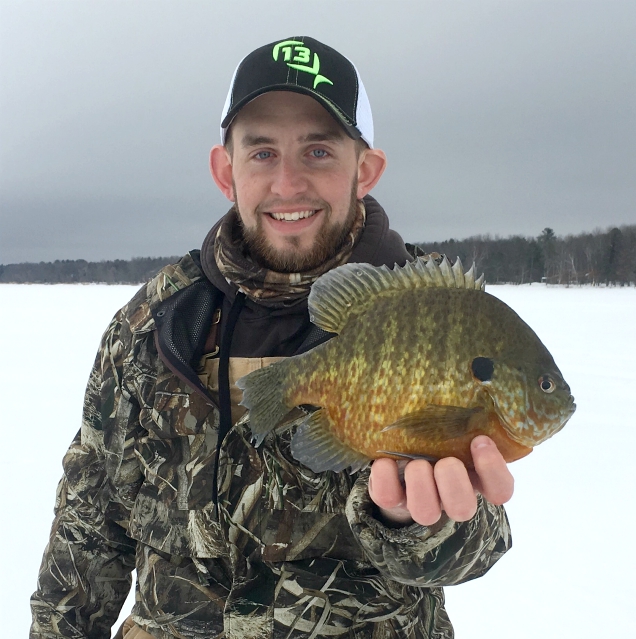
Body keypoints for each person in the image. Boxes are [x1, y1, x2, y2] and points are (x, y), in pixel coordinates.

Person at [31, 37, 514, 639]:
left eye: (318, 150)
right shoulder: (153, 325)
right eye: (261, 152)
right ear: (224, 168)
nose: (288, 184)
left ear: (365, 170)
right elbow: (89, 516)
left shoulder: (435, 316)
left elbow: (478, 548)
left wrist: (411, 521)